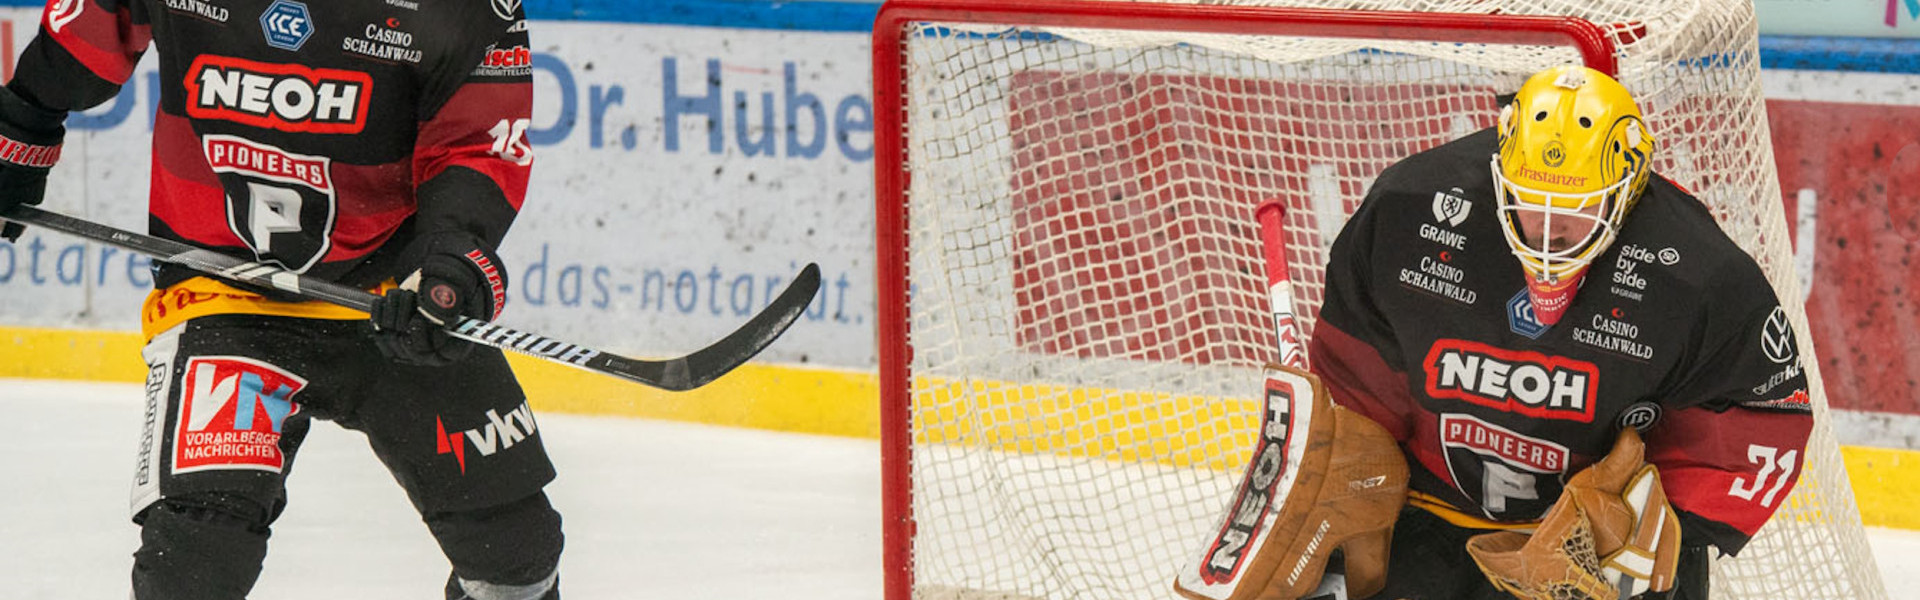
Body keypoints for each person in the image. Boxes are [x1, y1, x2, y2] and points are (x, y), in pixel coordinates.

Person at [0, 0, 563, 598]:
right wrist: (20, 127)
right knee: (193, 563)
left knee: (514, 555)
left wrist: (447, 272)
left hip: (389, 299)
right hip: (223, 292)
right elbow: (89, 34)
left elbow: (476, 144)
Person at [1303, 65, 1815, 599]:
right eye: (1533, 202)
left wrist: (1664, 521)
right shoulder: (1409, 213)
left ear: (1628, 186)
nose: (1551, 230)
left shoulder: (1697, 272)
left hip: (1603, 555)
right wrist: (1345, 470)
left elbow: (1762, 424)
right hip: (1430, 520)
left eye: (1574, 207)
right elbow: (1356, 371)